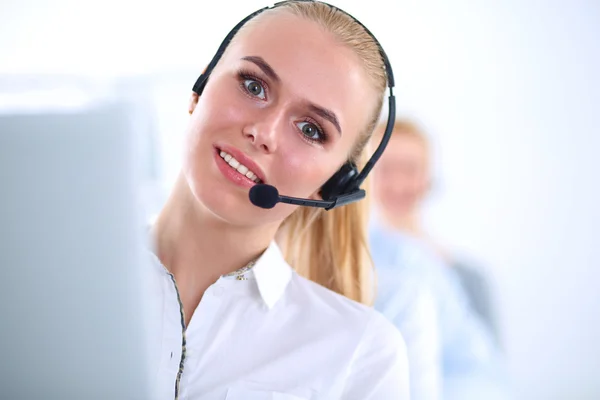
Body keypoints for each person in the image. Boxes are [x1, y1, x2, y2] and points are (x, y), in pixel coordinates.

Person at [146, 2, 409, 399]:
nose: (263, 132)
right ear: (199, 88)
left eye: (310, 129)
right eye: (254, 86)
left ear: (334, 184)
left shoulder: (361, 353)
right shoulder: (52, 273)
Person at [369, 119, 511, 400]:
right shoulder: (350, 263)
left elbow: (491, 371)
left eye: (410, 169)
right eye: (386, 169)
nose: (397, 183)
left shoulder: (469, 276)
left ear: (429, 178)